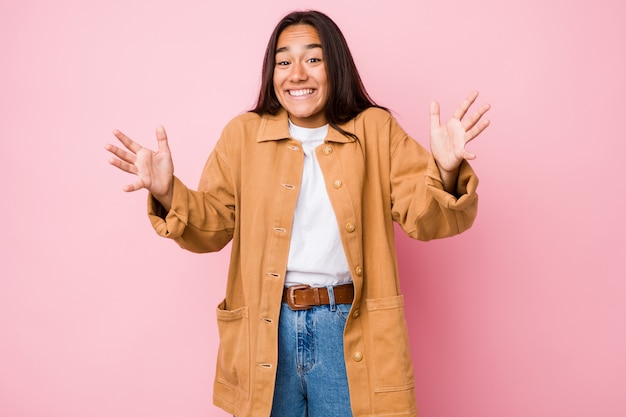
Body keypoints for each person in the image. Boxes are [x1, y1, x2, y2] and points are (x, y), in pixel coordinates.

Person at [105, 9, 490, 417]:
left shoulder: (375, 130)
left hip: (349, 329)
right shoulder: (243, 136)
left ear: (335, 65)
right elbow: (212, 225)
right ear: (272, 74)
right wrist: (168, 191)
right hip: (268, 331)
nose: (297, 73)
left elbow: (424, 215)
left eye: (313, 59)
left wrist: (446, 170)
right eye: (284, 61)